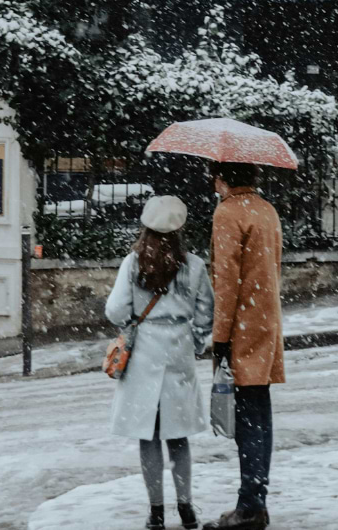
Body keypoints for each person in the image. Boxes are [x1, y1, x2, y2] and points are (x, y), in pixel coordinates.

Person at [105, 195, 213, 530]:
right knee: (178, 437)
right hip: (178, 349)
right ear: (180, 228)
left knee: (148, 436)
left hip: (144, 353)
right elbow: (207, 313)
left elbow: (115, 311)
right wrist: (192, 341)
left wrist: (134, 322)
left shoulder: (133, 263)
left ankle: (156, 512)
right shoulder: (193, 265)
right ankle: (186, 507)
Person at [204, 162, 285, 530]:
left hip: (241, 326)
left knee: (247, 421)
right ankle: (256, 500)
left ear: (222, 178)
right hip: (265, 320)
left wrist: (220, 338)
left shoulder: (227, 213)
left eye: (215, 178)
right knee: (261, 417)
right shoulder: (266, 210)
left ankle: (249, 506)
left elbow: (226, 283)